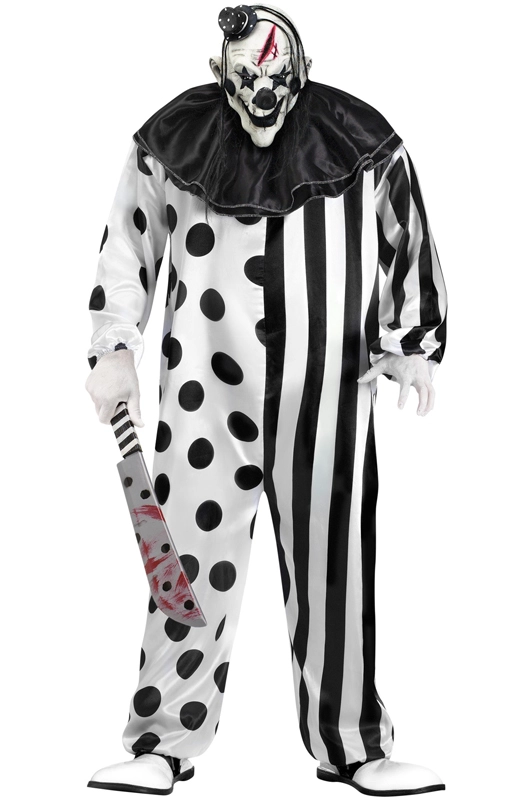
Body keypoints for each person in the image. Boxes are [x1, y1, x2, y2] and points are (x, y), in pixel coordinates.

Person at [85, 5, 447, 795]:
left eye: (277, 77)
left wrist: (412, 338)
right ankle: (163, 739)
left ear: (302, 72)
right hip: (201, 389)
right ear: (221, 75)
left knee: (336, 568)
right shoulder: (171, 139)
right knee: (183, 562)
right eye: (247, 77)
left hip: (329, 393)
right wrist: (113, 345)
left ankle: (353, 742)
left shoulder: (359, 138)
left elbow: (404, 224)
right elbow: (129, 239)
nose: (262, 92)